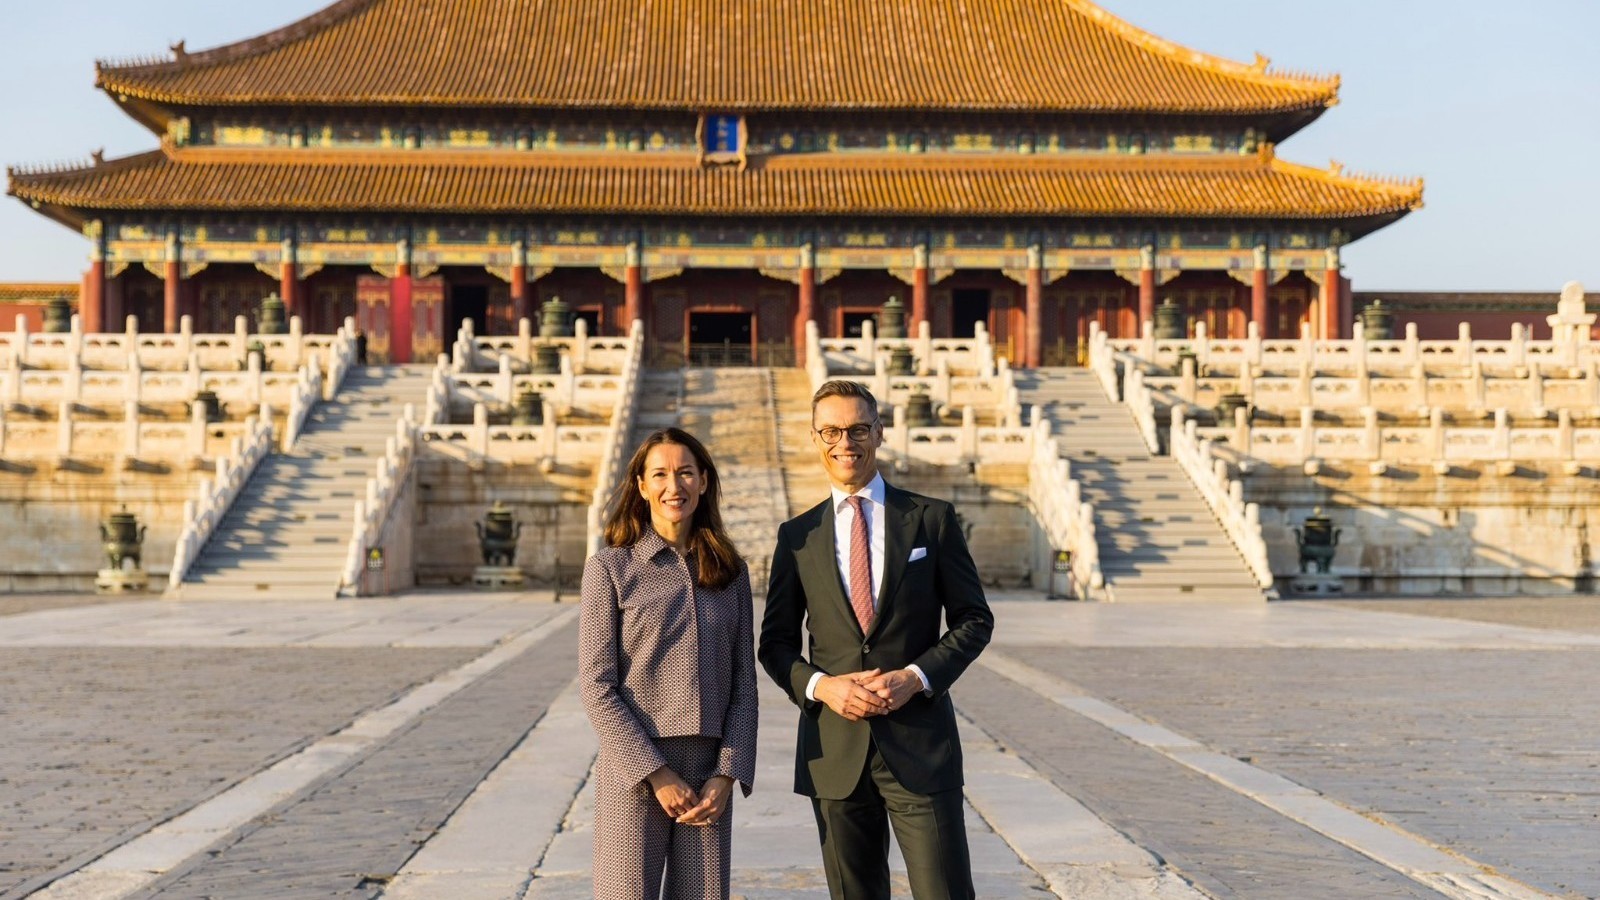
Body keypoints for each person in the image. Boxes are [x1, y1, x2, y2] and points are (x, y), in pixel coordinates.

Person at [759, 380, 993, 900]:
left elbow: (974, 619)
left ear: (879, 433)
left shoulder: (930, 520)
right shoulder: (796, 537)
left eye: (858, 428)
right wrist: (822, 687)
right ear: (815, 438)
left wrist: (916, 677)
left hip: (919, 744)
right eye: (832, 431)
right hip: (834, 751)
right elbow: (774, 644)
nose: (846, 442)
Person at [579, 427, 758, 900]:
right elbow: (597, 686)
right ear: (640, 485)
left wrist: (727, 774)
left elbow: (744, 683)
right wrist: (656, 773)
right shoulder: (611, 569)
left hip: (708, 771)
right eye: (659, 474)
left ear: (703, 481)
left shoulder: (729, 573)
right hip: (635, 771)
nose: (672, 486)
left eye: (685, 473)